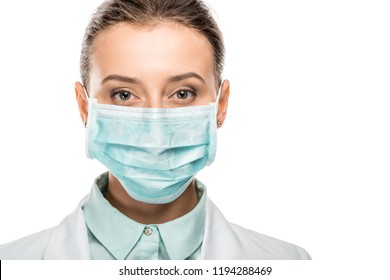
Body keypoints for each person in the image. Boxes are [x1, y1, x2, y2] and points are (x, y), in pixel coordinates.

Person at [0, 0, 310, 260]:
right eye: (124, 95)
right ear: (85, 107)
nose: (155, 131)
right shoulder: (12, 263)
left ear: (220, 105)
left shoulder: (291, 264)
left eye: (182, 93)